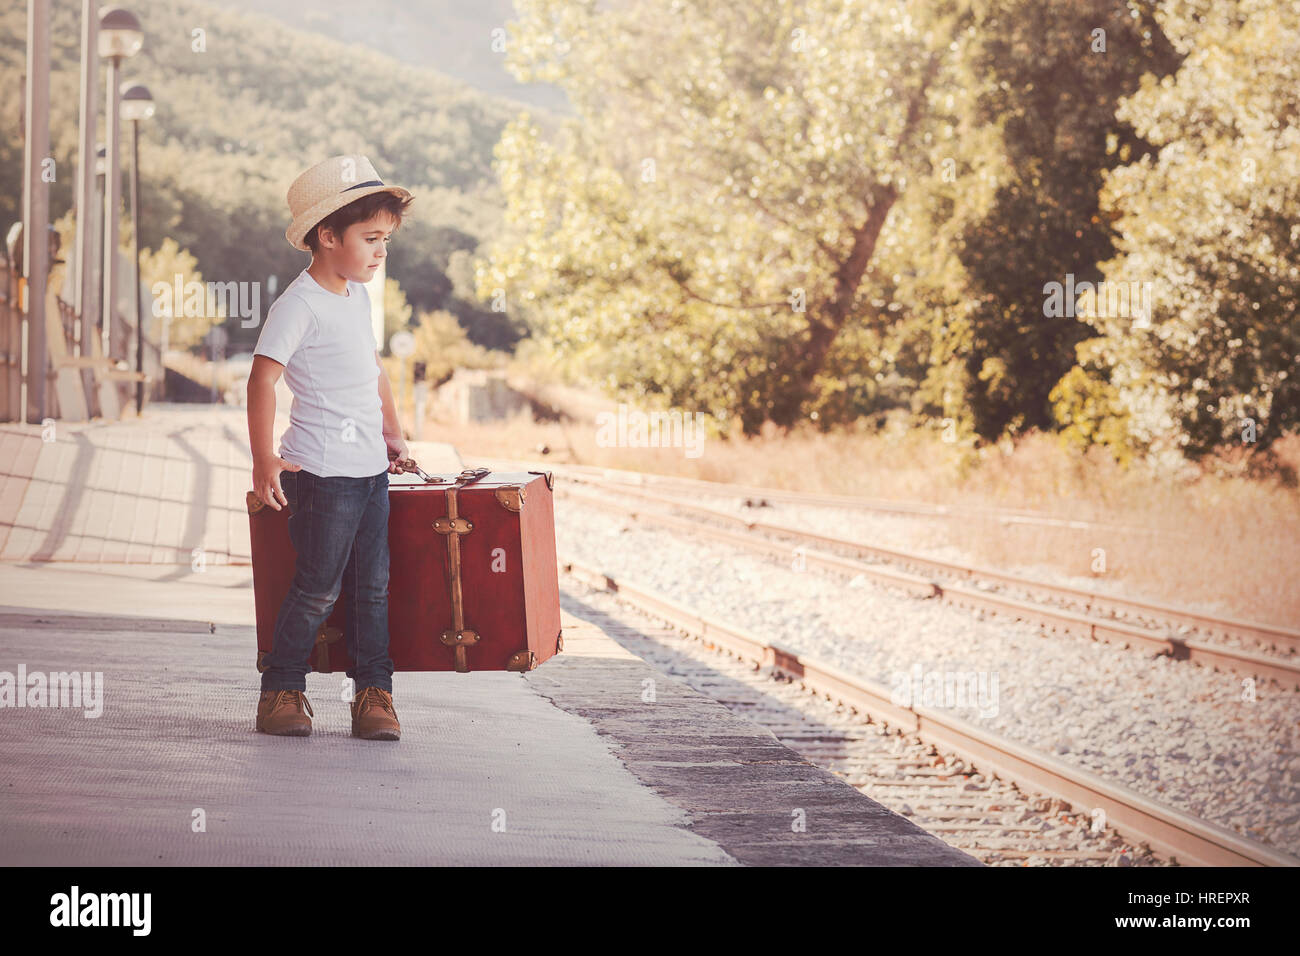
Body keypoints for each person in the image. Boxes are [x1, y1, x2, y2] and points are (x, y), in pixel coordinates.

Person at [247, 154, 416, 740]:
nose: (380, 252)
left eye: (385, 240)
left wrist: (393, 437)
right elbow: (262, 378)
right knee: (318, 587)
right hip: (321, 475)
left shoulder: (355, 296)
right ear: (326, 235)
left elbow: (373, 372)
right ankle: (281, 692)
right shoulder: (300, 304)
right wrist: (264, 457)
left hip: (370, 473)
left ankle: (374, 696)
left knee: (373, 589)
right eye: (370, 238)